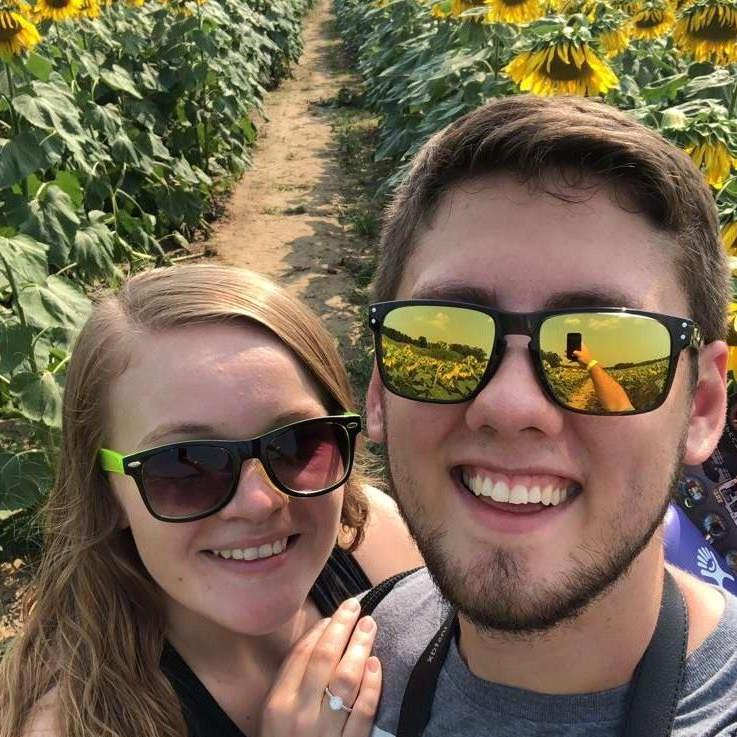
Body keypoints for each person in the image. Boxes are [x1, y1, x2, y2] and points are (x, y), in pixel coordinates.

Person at [364, 94, 737, 736]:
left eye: (606, 345)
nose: (510, 406)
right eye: (443, 340)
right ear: (377, 394)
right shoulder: (348, 669)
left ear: (701, 407)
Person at [0, 264, 422, 737]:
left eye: (297, 445)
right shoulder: (75, 724)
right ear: (107, 491)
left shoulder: (374, 543)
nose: (259, 501)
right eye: (185, 467)